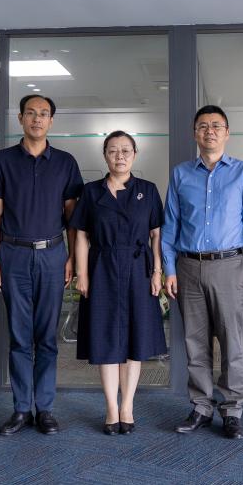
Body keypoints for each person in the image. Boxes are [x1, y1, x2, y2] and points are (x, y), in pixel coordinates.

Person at [162, 105, 243, 440]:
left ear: (227, 132)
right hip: (188, 266)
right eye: (203, 126)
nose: (210, 131)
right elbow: (170, 225)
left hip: (229, 265)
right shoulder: (181, 174)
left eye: (216, 126)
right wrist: (169, 269)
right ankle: (201, 407)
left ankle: (232, 410)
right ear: (195, 133)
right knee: (195, 342)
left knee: (232, 341)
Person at [0, 94, 84, 436]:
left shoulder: (65, 162)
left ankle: (45, 409)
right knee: (19, 336)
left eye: (43, 114)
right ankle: (21, 408)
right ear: (21, 119)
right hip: (13, 254)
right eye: (30, 113)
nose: (37, 119)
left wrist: (71, 257)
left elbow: (71, 216)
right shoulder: (3, 160)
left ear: (51, 121)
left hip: (53, 254)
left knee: (47, 337)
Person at [71, 131, 167, 435]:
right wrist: (82, 274)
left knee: (135, 340)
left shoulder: (147, 190)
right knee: (105, 339)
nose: (120, 156)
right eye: (113, 150)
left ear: (135, 155)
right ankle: (111, 408)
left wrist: (157, 271)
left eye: (126, 150)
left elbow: (156, 235)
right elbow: (81, 235)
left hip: (138, 270)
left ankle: (128, 406)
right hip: (102, 268)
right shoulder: (91, 192)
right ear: (105, 155)